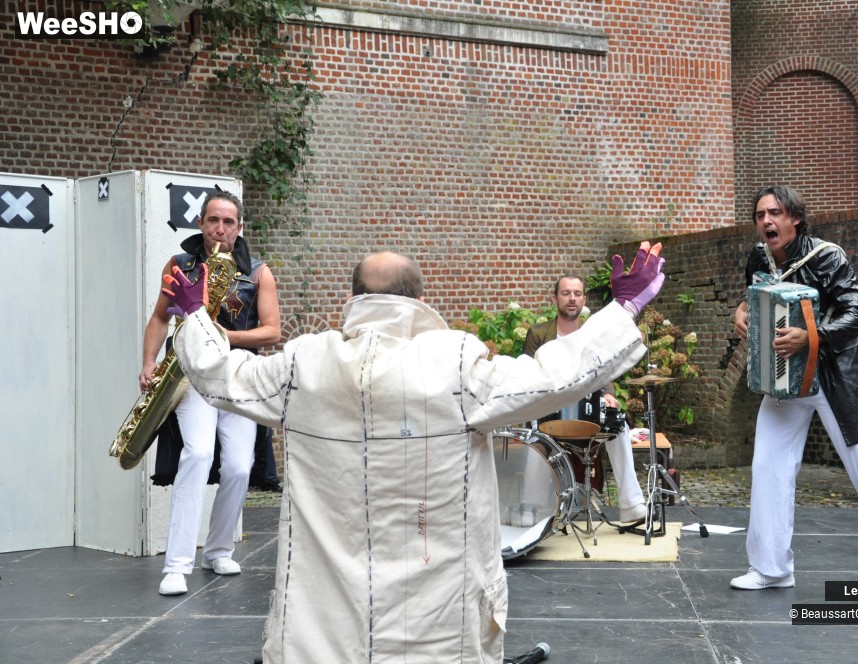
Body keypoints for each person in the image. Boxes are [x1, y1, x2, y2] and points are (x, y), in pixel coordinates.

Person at [158, 243, 664, 662]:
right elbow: (555, 376)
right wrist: (622, 310)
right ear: (421, 300)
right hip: (435, 623)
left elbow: (221, 375)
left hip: (325, 631)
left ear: (352, 299)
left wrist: (196, 315)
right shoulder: (456, 364)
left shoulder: (303, 364)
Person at [730, 185, 858, 590]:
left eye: (775, 213)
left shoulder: (827, 257)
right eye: (760, 215)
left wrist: (811, 336)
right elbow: (751, 294)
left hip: (834, 376)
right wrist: (741, 310)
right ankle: (772, 569)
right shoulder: (759, 256)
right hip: (783, 377)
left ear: (795, 218)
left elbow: (857, 315)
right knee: (768, 467)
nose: (766, 221)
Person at [140, 190, 281, 596]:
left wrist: (223, 337)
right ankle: (176, 566)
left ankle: (218, 550)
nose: (220, 228)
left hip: (238, 376)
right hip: (191, 377)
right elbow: (159, 318)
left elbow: (272, 331)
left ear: (239, 228)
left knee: (238, 466)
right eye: (213, 220)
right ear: (201, 223)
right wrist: (148, 363)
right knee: (198, 454)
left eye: (228, 222)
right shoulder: (179, 264)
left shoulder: (258, 272)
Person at [523, 275, 647, 523]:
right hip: (550, 410)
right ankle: (531, 509)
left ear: (584, 300)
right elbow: (527, 374)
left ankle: (631, 504)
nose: (572, 299)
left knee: (619, 425)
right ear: (554, 298)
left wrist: (609, 393)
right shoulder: (538, 333)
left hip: (587, 411)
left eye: (577, 294)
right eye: (566, 293)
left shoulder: (592, 334)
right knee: (535, 436)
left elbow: (604, 367)